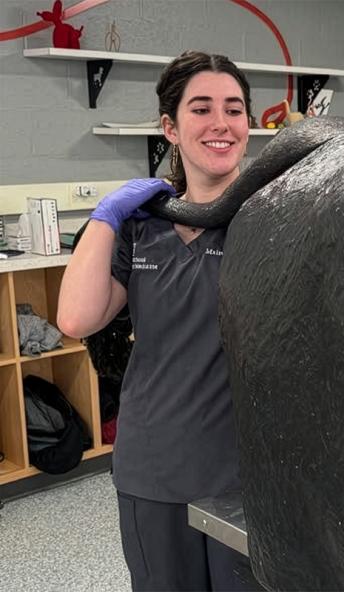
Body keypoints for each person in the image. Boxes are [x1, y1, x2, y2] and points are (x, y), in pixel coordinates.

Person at [57, 51, 255, 591]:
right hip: (154, 466)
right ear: (169, 126)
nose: (221, 123)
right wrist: (106, 216)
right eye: (202, 108)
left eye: (234, 109)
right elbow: (76, 317)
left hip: (249, 474)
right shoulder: (142, 229)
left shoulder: (270, 221)